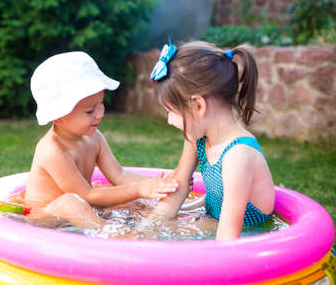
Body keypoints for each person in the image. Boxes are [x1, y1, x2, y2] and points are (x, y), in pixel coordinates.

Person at [25, 51, 178, 229]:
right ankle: (109, 235)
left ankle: (154, 225)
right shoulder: (52, 151)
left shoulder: (95, 138)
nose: (100, 114)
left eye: (101, 104)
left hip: (83, 207)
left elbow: (119, 175)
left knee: (133, 202)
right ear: (58, 116)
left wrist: (155, 185)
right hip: (45, 217)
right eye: (90, 111)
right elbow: (87, 196)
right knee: (69, 202)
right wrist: (138, 189)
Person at [149, 40, 275, 240]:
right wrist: (149, 227)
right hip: (214, 219)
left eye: (170, 111)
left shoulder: (238, 155)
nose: (169, 121)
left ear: (198, 106)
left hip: (249, 235)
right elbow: (179, 185)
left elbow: (227, 238)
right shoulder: (198, 137)